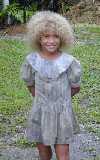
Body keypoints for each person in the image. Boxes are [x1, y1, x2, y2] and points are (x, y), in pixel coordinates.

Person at [20, 11, 82, 160]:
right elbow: (30, 85)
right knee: (43, 152)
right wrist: (43, 101)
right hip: (40, 113)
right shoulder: (32, 61)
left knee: (63, 154)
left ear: (63, 38)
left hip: (62, 115)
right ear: (38, 38)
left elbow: (75, 87)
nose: (51, 41)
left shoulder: (69, 62)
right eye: (46, 36)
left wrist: (61, 101)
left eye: (56, 36)